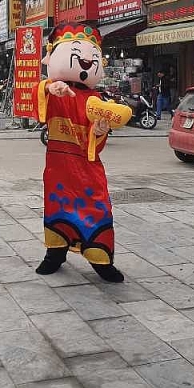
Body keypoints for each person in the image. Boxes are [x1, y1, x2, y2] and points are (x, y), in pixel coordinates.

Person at [32, 24, 124, 283]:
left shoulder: (97, 100)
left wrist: (101, 129)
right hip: (58, 167)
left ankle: (101, 259)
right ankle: (55, 253)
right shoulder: (55, 91)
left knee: (97, 208)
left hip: (87, 169)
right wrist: (49, 88)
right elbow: (35, 103)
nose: (85, 61)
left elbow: (96, 143)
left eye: (92, 57)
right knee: (56, 206)